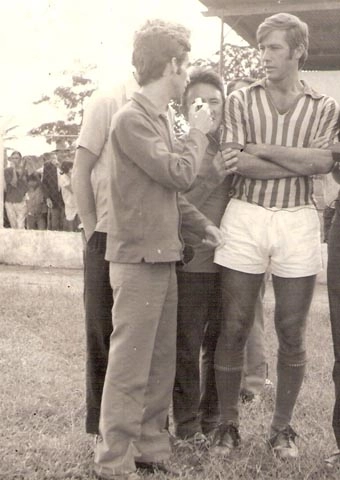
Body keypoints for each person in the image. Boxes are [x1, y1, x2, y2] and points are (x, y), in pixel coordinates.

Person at [93, 19, 225, 480]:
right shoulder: (131, 119)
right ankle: (113, 462)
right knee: (130, 366)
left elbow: (171, 193)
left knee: (158, 364)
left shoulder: (158, 119)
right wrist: (200, 133)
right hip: (136, 262)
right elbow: (179, 173)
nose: (188, 75)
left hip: (163, 257)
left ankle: (150, 450)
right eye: (185, 64)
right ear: (171, 64)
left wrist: (201, 224)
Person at [211, 12, 339, 459]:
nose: (263, 56)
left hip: (298, 217)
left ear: (298, 51)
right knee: (235, 324)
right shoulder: (242, 99)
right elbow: (235, 162)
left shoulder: (323, 106)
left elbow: (321, 163)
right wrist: (295, 158)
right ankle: (228, 425)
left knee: (291, 329)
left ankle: (281, 429)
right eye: (261, 48)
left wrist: (260, 148)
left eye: (274, 48)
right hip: (244, 214)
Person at [172, 68, 237, 443]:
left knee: (222, 341)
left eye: (215, 102)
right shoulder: (185, 146)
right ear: (185, 107)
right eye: (199, 102)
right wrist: (211, 176)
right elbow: (175, 203)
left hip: (230, 263)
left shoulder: (233, 146)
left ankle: (212, 419)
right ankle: (186, 424)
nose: (209, 110)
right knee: (188, 343)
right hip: (194, 261)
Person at [73, 75, 139, 436]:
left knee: (136, 336)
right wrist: (89, 230)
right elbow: (80, 169)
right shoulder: (107, 100)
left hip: (144, 239)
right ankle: (100, 427)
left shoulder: (162, 107)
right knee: (101, 330)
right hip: (104, 235)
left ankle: (138, 426)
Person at [226, 77, 270, 403]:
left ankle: (253, 381)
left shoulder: (258, 141)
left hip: (252, 229)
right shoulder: (226, 137)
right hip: (225, 230)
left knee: (249, 309)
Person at [4, 151, 27, 229]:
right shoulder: (7, 171)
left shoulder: (25, 171)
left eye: (16, 158)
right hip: (10, 202)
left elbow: (26, 186)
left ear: (20, 159)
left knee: (21, 225)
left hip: (21, 201)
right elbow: (14, 183)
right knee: (13, 225)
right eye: (13, 158)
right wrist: (13, 169)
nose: (14, 160)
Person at [41, 152, 64, 230]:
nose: (54, 160)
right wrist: (47, 198)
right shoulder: (47, 168)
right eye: (52, 158)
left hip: (64, 197)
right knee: (54, 222)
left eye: (55, 158)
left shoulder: (61, 167)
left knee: (64, 221)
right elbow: (44, 184)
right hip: (54, 198)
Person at [58, 160, 79, 231]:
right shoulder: (63, 177)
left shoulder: (72, 176)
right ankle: (70, 231)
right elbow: (72, 189)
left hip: (75, 200)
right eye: (71, 167)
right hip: (69, 201)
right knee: (70, 217)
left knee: (77, 217)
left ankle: (76, 231)